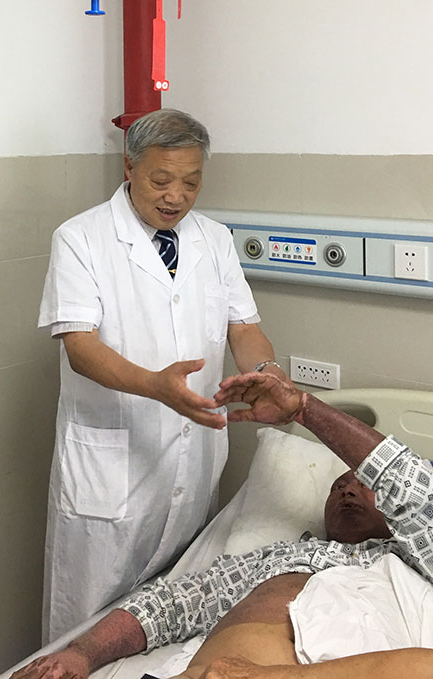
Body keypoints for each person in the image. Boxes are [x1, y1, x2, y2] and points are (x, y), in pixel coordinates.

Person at [11, 372, 433, 679]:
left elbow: (416, 490)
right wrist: (82, 653)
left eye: (363, 484)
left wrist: (303, 409)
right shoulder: (278, 559)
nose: (346, 489)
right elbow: (169, 605)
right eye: (337, 484)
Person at [37, 108, 284, 642]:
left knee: (175, 615)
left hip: (192, 463)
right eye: (161, 180)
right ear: (129, 168)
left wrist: (268, 374)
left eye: (191, 182)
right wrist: (155, 386)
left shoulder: (214, 239)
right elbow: (80, 347)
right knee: (84, 630)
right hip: (113, 473)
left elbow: (244, 328)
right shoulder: (80, 238)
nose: (176, 196)